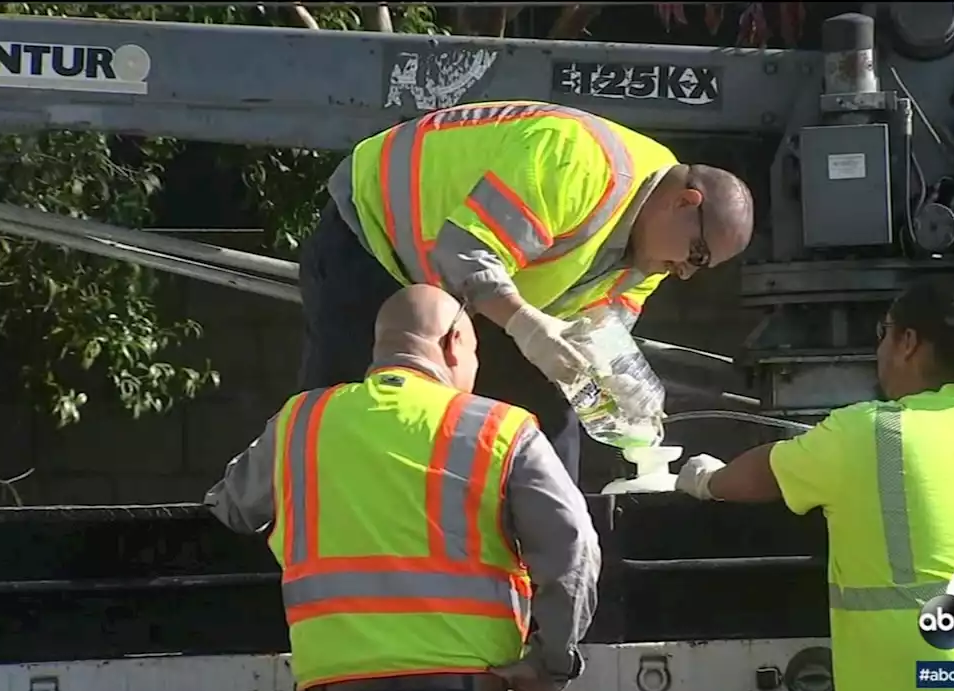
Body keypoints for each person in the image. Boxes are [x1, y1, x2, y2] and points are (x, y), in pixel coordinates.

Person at [673, 275, 954, 691]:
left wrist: (707, 479)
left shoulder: (869, 433)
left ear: (908, 342)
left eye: (883, 334)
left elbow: (765, 473)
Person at [302, 99, 756, 484]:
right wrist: (526, 325)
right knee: (356, 413)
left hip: (479, 291)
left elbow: (598, 328)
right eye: (697, 254)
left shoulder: (654, 251)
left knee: (546, 418)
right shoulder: (578, 160)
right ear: (684, 202)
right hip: (375, 239)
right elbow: (466, 252)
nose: (685, 272)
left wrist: (616, 378)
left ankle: (546, 557)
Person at [206, 284, 602, 691]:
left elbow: (231, 507)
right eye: (474, 354)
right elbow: (573, 544)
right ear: (454, 343)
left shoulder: (299, 424)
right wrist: (553, 664)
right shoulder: (500, 428)